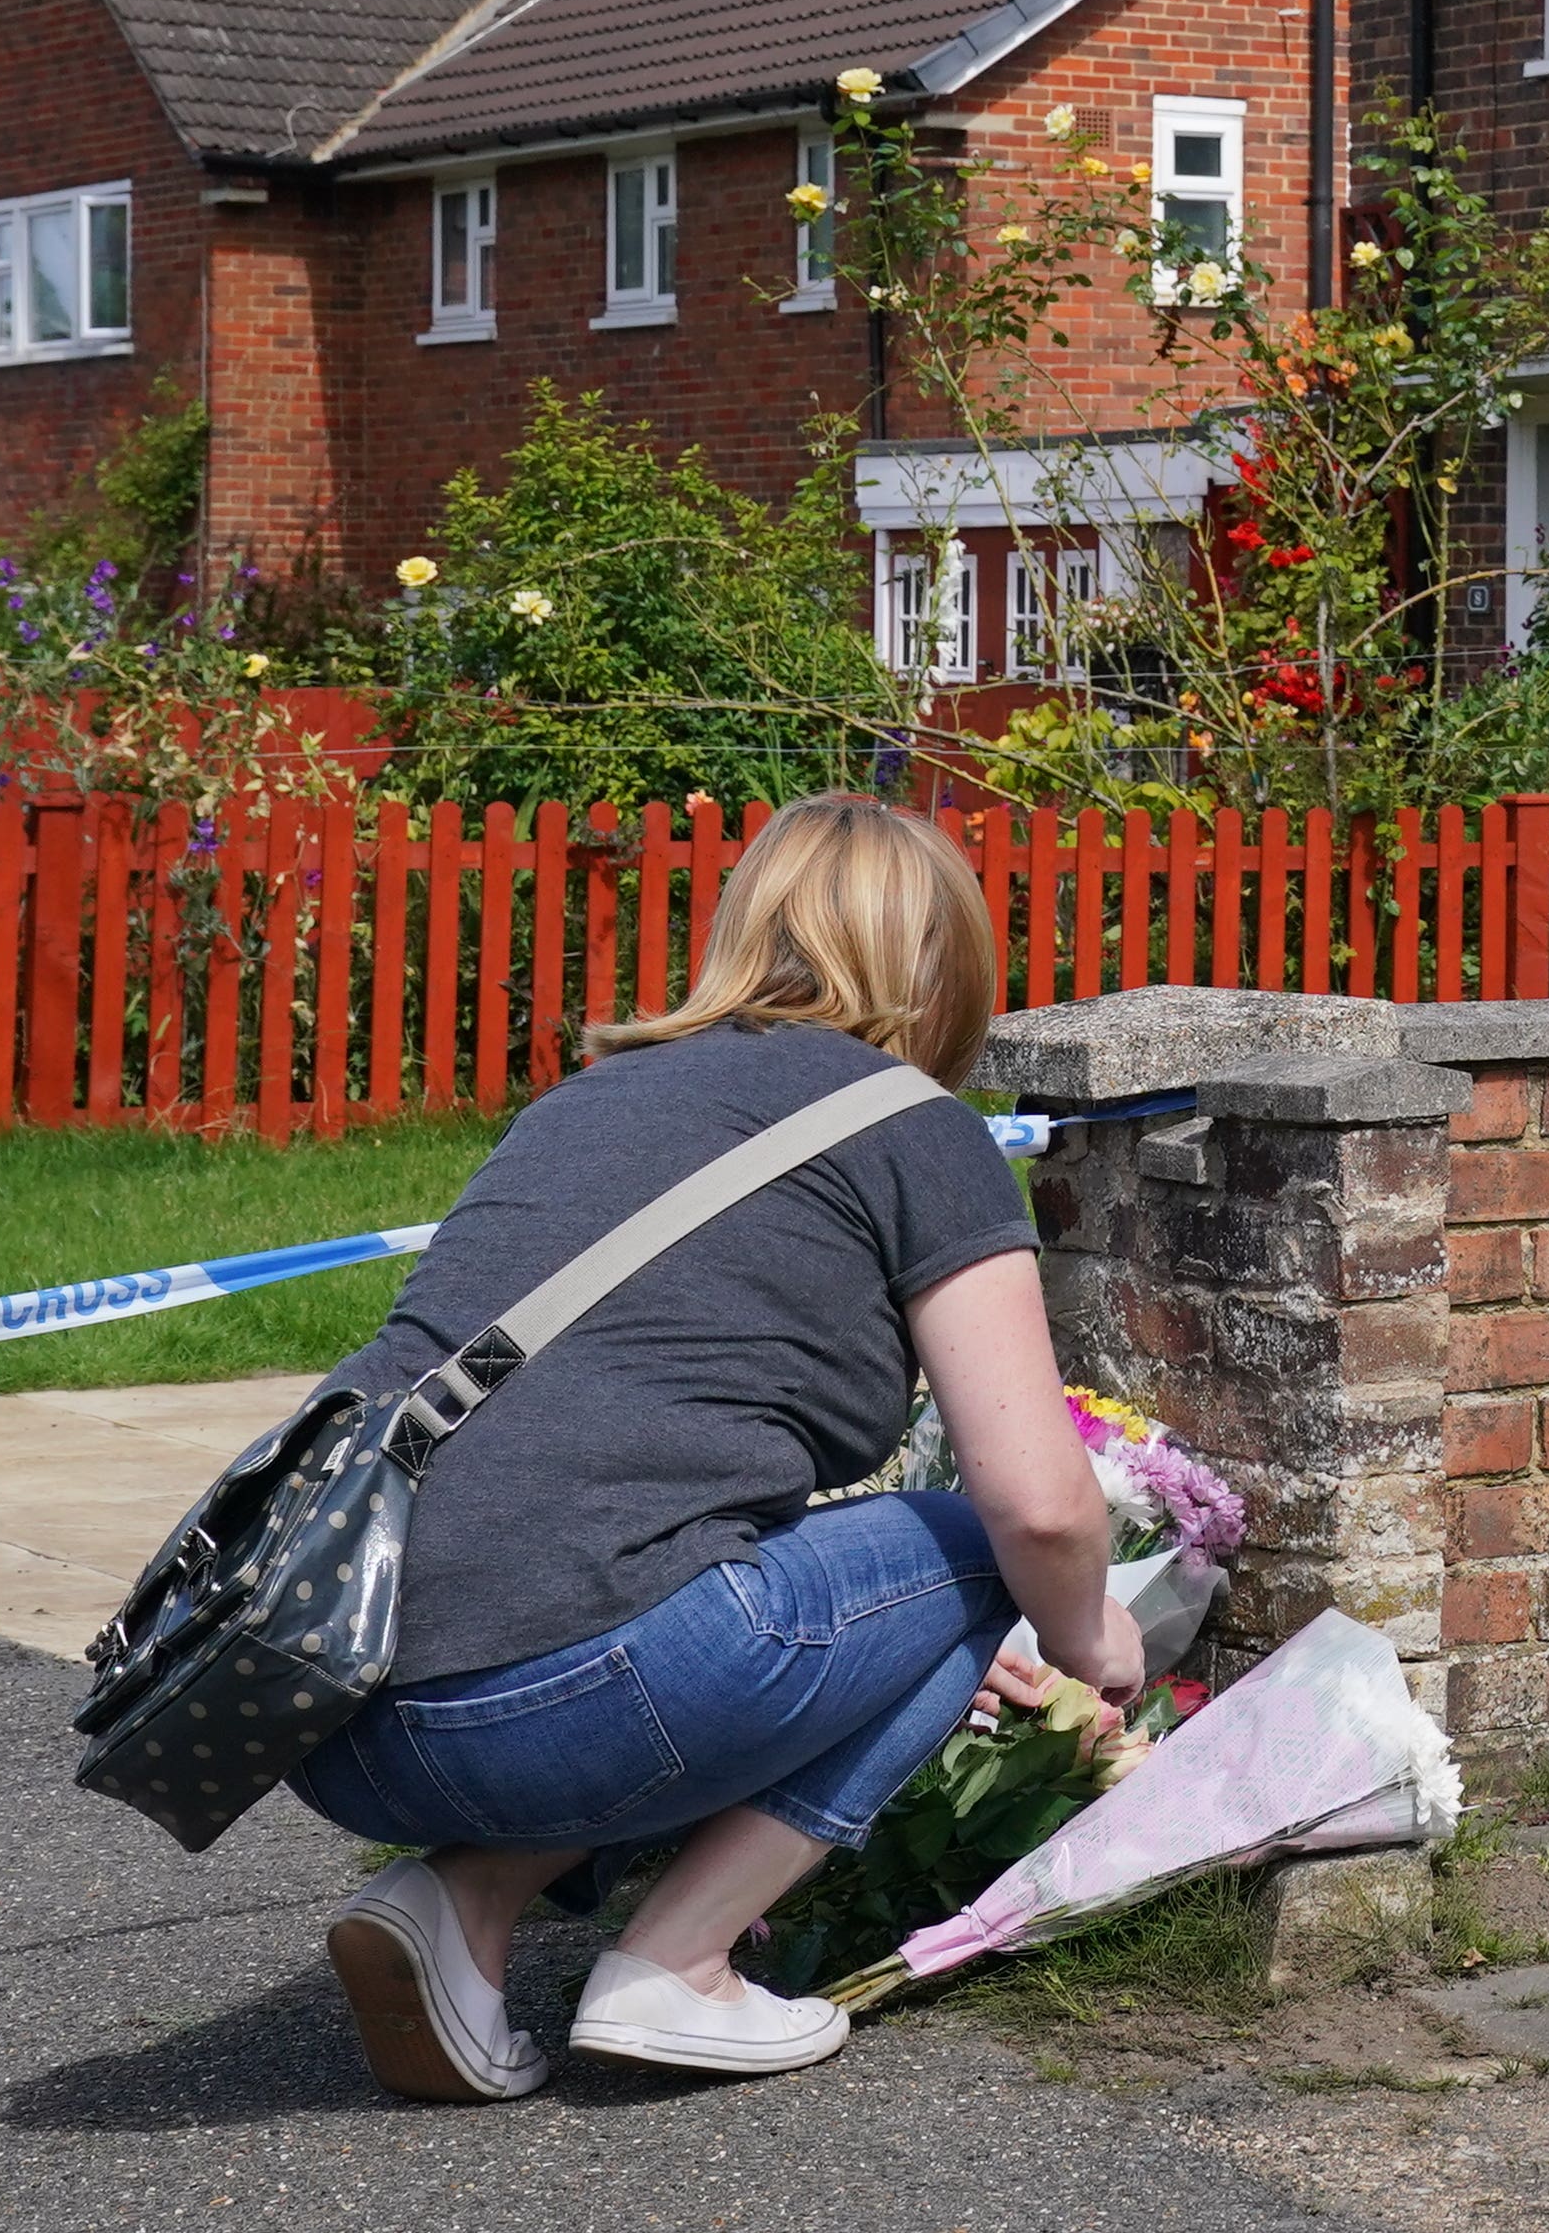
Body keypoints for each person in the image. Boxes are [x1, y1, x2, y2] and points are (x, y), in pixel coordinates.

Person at [287, 794, 1145, 2101]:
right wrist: (1090, 1642)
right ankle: (678, 1963)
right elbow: (1040, 1505)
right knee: (974, 1556)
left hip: (334, 1709)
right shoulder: (916, 1127)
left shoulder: (588, 1102)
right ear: (942, 965)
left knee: (686, 1574)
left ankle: (465, 1906)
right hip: (554, 1707)